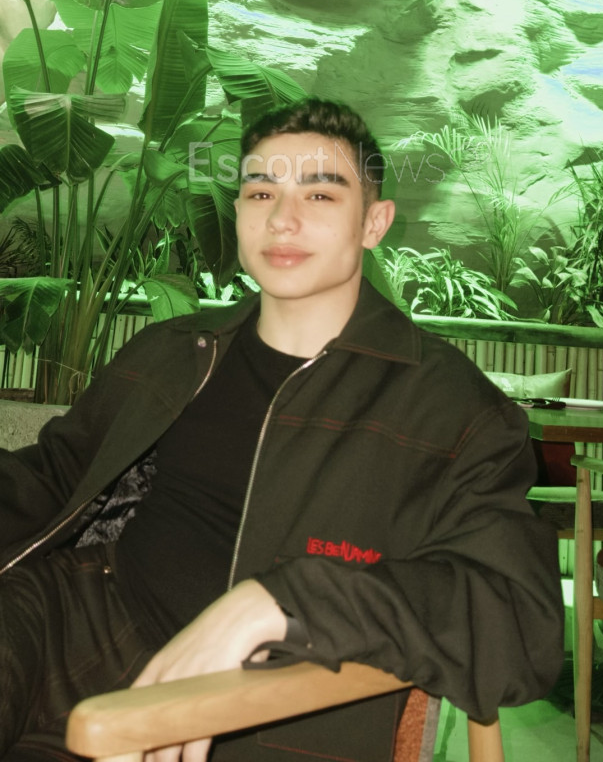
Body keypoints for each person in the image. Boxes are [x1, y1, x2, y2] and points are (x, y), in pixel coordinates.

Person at [0, 98, 564, 762]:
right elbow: (55, 474)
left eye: (320, 194)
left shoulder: (454, 410)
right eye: (260, 191)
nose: (281, 218)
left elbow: (518, 624)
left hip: (256, 710)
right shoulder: (174, 349)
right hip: (66, 618)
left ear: (374, 223)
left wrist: (279, 603)